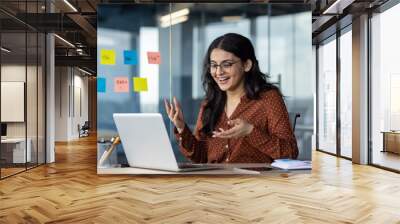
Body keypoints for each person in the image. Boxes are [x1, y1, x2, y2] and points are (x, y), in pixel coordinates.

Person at [164, 33, 298, 163]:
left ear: (246, 65)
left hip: (253, 183)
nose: (218, 72)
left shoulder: (268, 98)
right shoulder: (210, 103)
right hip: (214, 182)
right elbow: (200, 157)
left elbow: (290, 152)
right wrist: (182, 128)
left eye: (226, 64)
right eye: (214, 65)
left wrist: (250, 131)